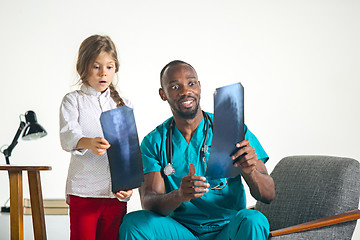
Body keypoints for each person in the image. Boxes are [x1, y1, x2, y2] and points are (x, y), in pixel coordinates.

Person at [119, 60, 275, 240]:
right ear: (163, 94)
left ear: (199, 87)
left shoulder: (230, 129)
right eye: (175, 86)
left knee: (254, 219)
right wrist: (180, 195)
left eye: (191, 83)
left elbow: (268, 195)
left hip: (228, 230)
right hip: (181, 232)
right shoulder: (154, 142)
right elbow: (149, 202)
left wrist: (250, 171)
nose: (186, 91)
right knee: (134, 224)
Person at [60, 34, 133, 240]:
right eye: (96, 66)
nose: (103, 73)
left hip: (115, 195)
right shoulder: (73, 101)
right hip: (83, 192)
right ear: (83, 68)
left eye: (109, 67)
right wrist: (89, 143)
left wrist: (129, 188)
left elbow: (128, 153)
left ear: (115, 68)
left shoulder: (124, 105)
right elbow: (68, 137)